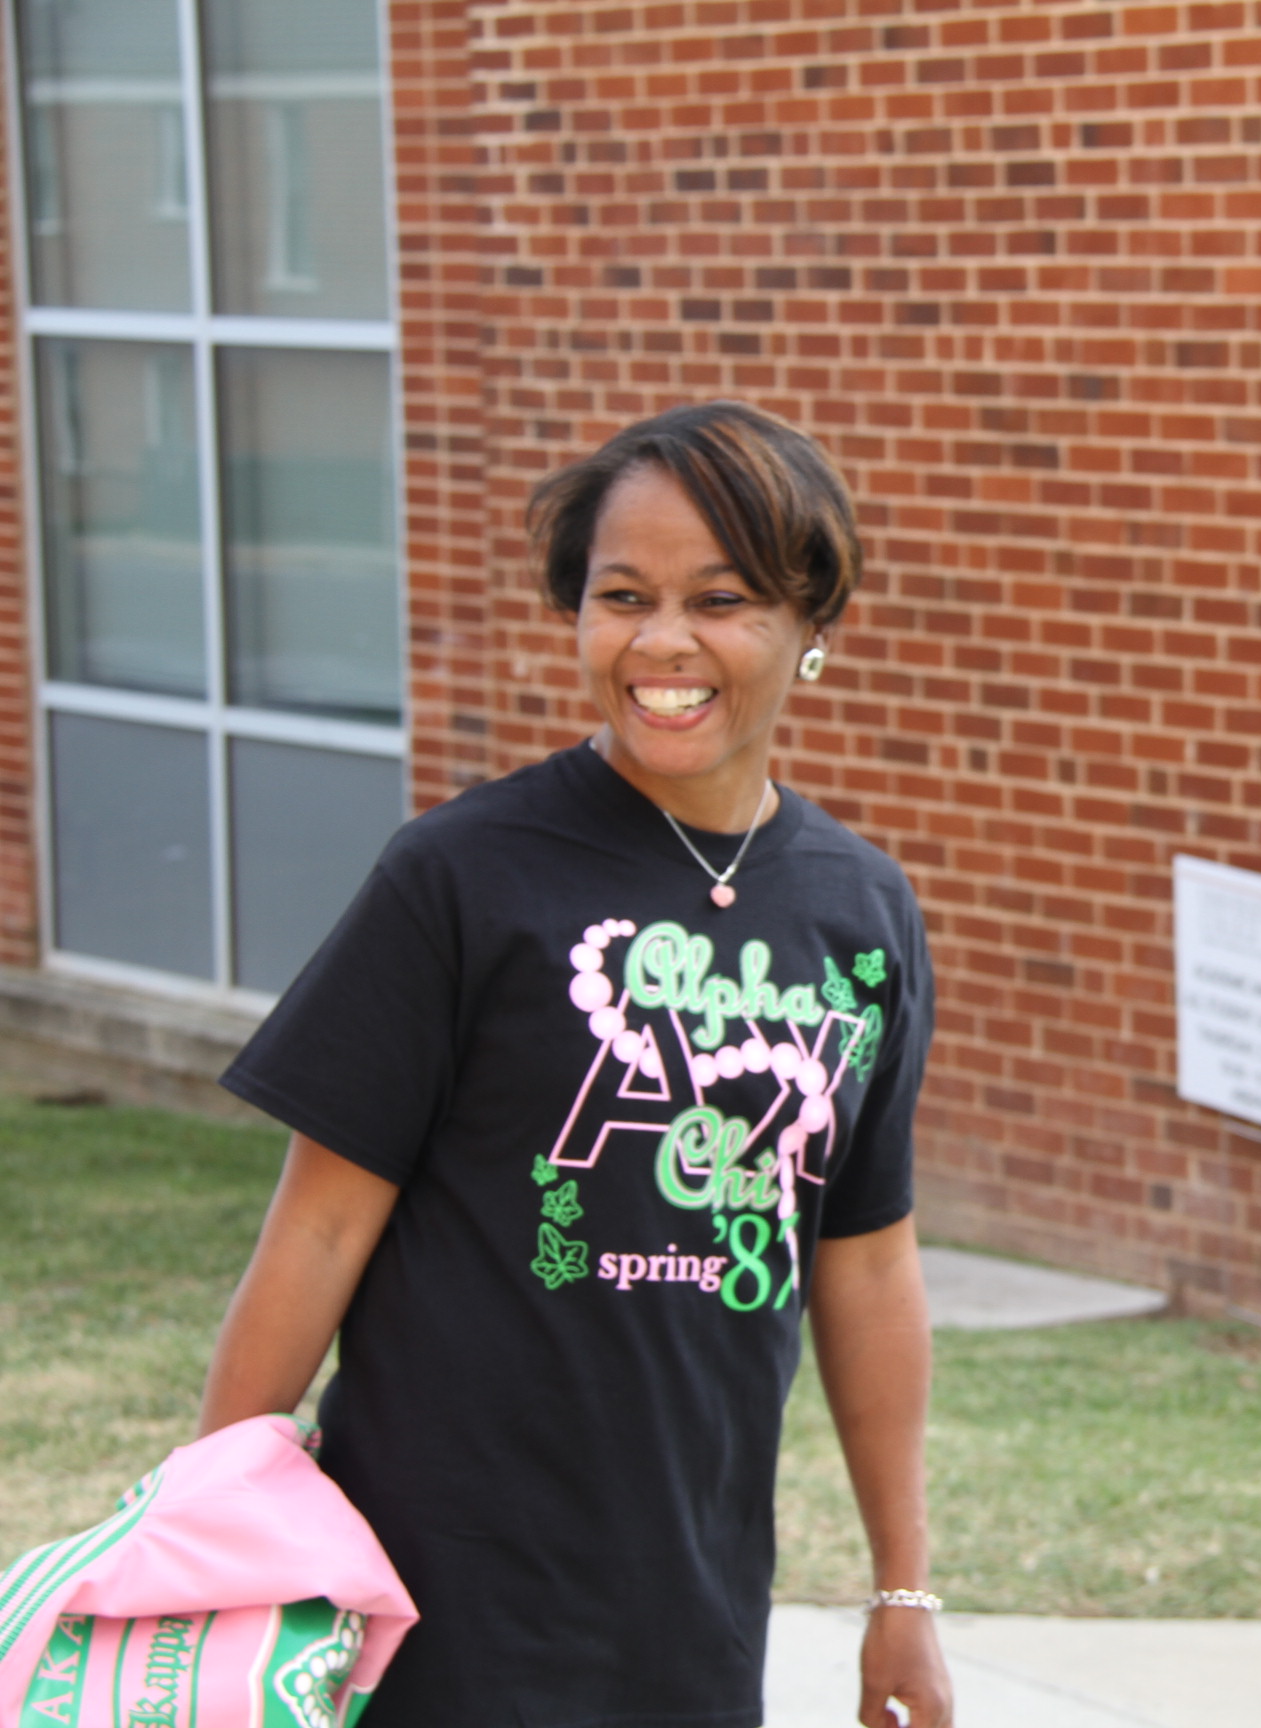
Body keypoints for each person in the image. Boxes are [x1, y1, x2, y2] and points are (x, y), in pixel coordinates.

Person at [198, 400, 952, 1728]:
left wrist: (904, 1589)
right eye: (623, 596)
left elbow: (868, 1260)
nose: (662, 643)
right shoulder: (464, 877)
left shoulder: (861, 911)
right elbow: (315, 1231)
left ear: (812, 623)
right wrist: (200, 1548)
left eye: (720, 599)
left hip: (692, 1602)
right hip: (432, 1596)